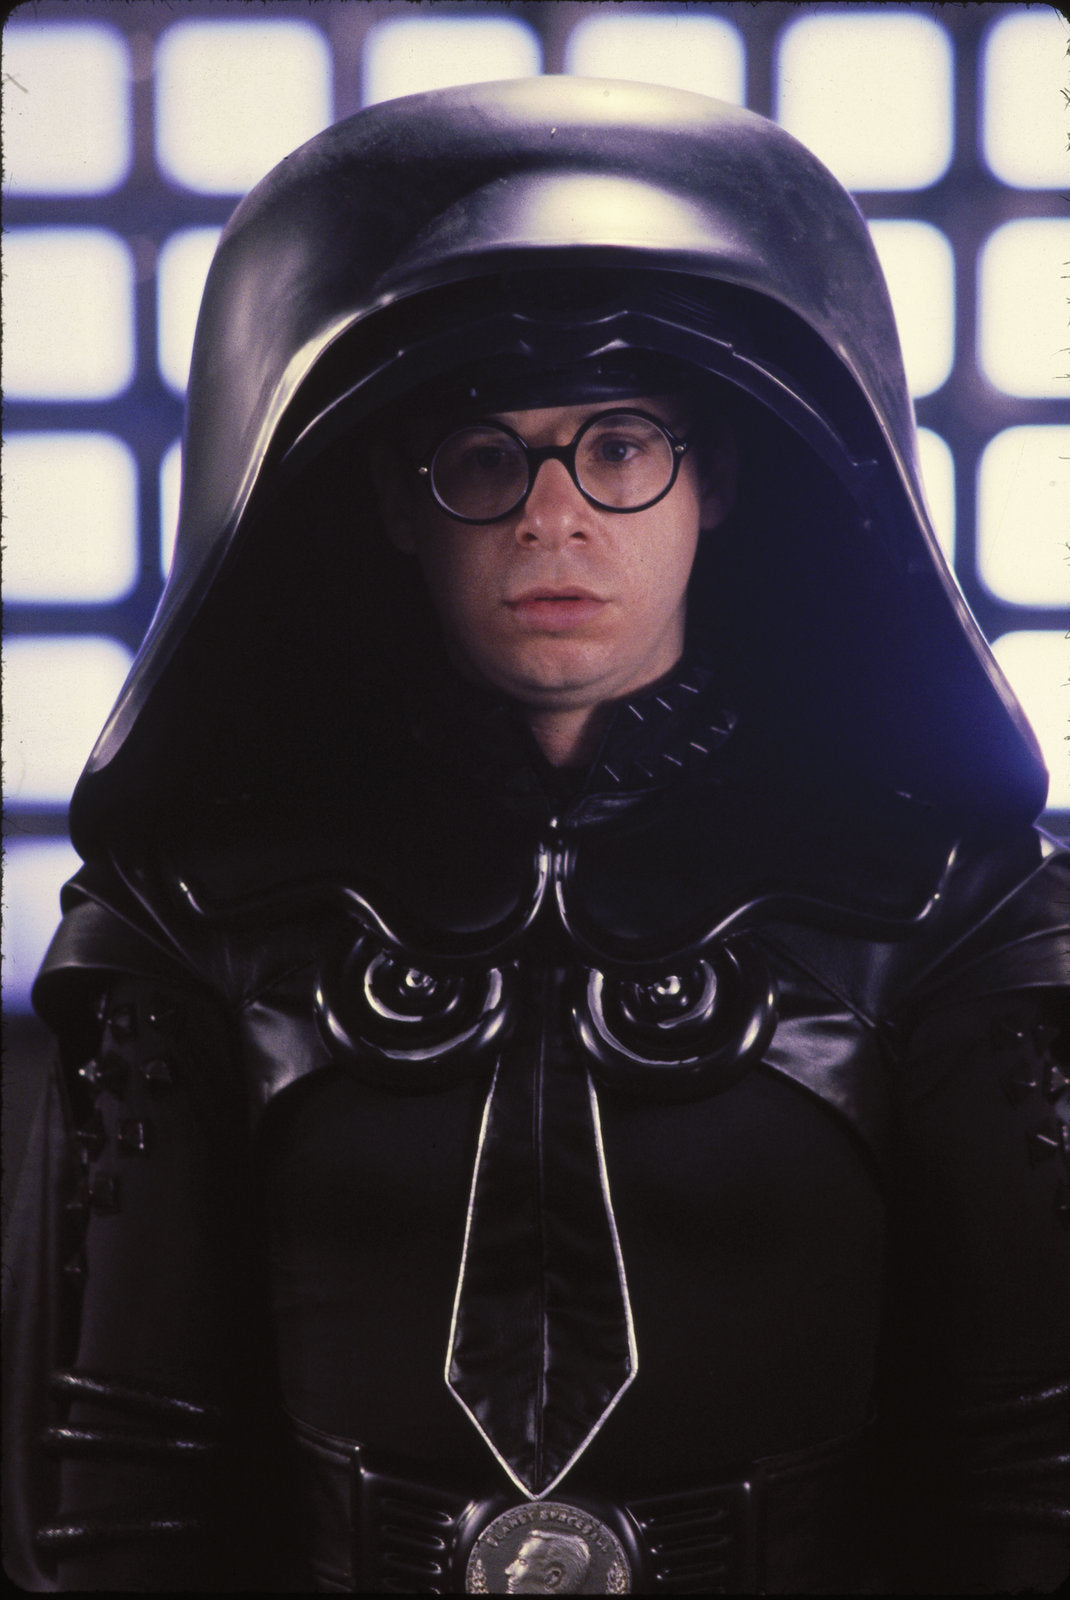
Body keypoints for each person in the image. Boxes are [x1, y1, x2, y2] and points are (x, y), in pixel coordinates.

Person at [4, 77, 1068, 1594]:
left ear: (715, 480)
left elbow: (1034, 1468)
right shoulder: (201, 916)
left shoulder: (942, 911)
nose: (551, 520)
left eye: (620, 447)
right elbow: (110, 1481)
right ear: (397, 499)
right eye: (485, 457)